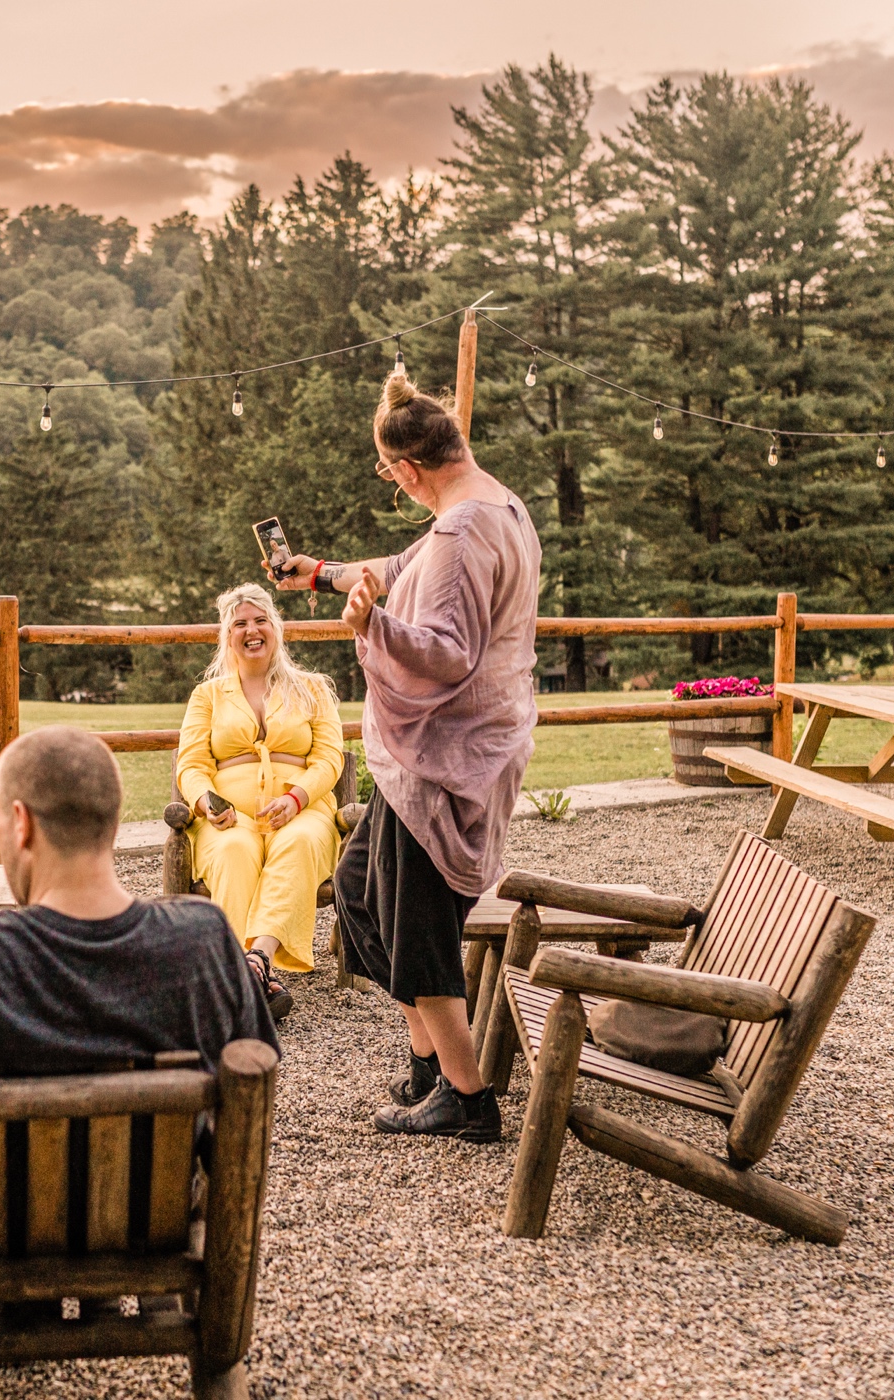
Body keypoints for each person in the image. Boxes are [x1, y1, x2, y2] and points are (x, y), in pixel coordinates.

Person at [0, 727, 277, 1400]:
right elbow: (250, 1106)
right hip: (146, 1225)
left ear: (20, 823)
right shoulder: (205, 937)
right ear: (111, 821)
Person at [275, 369, 540, 1144]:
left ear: (408, 470)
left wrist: (372, 628)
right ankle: (429, 1064)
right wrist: (321, 574)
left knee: (417, 927)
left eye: (391, 478)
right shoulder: (495, 506)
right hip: (450, 748)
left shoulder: (461, 532)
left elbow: (448, 652)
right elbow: (401, 568)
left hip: (444, 756)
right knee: (361, 893)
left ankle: (467, 1097)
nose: (396, 488)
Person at [175, 582, 346, 1019]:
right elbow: (191, 764)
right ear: (227, 636)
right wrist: (207, 802)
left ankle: (254, 961)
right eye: (240, 624)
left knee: (299, 842)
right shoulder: (208, 695)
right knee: (234, 848)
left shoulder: (312, 688)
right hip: (230, 816)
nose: (251, 631)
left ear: (276, 628)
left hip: (302, 808)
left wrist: (296, 798)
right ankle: (252, 972)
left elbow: (329, 757)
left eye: (260, 620)